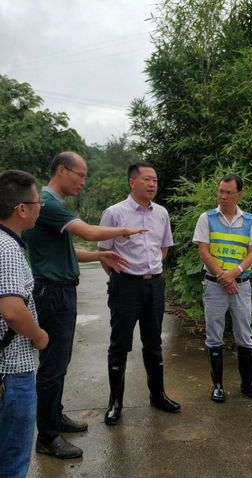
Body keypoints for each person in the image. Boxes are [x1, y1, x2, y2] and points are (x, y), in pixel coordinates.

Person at [26, 151, 147, 459]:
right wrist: (124, 230)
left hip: (61, 290)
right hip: (52, 292)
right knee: (53, 365)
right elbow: (90, 232)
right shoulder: (48, 203)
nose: (83, 181)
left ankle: (54, 416)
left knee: (60, 361)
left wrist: (99, 255)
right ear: (62, 171)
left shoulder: (53, 205)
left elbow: (70, 250)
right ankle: (47, 437)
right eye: (80, 175)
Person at [0, 170, 49, 478]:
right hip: (10, 372)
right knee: (10, 463)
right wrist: (39, 336)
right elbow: (13, 311)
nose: (41, 207)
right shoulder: (7, 249)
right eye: (38, 201)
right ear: (22, 209)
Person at [97, 162, 181, 426]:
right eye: (147, 179)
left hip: (154, 285)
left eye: (155, 179)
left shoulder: (162, 213)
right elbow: (104, 252)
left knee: (154, 343)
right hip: (125, 286)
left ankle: (158, 395)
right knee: (119, 344)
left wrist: (150, 269)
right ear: (132, 182)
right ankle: (115, 403)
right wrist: (120, 276)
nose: (153, 184)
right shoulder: (114, 213)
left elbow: (164, 248)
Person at [192, 173, 252, 403]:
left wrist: (234, 273)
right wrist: (223, 276)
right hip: (214, 285)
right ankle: (217, 386)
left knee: (244, 334)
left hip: (241, 285)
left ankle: (248, 385)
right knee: (214, 334)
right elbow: (204, 252)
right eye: (220, 191)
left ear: (239, 195)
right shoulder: (207, 218)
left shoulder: (250, 220)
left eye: (228, 193)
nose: (223, 196)